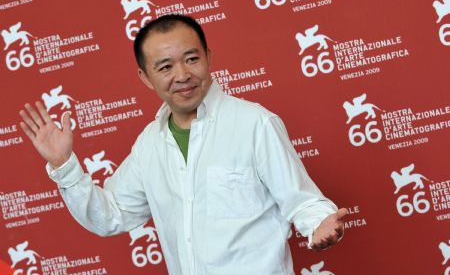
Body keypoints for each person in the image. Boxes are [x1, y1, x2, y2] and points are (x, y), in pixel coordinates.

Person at [19, 14, 347, 275]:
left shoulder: (254, 124)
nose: (182, 74)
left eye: (191, 58)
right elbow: (110, 216)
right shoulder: (150, 144)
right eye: (165, 66)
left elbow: (301, 200)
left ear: (209, 57)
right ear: (146, 77)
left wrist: (320, 224)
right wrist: (64, 166)